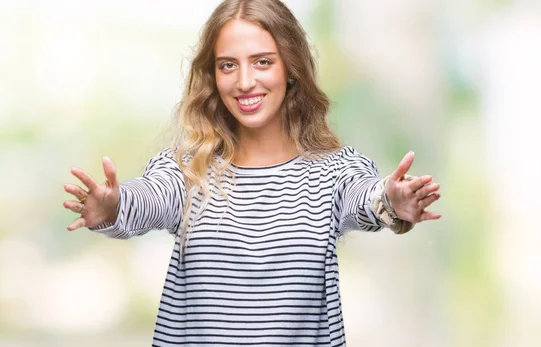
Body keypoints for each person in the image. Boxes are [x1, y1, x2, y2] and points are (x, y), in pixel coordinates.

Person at [62, 0, 441, 345]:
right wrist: (113, 207)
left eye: (262, 61)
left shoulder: (334, 171)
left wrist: (393, 200)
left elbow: (366, 198)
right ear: (213, 75)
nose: (244, 82)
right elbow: (147, 198)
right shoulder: (185, 170)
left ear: (290, 68)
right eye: (228, 65)